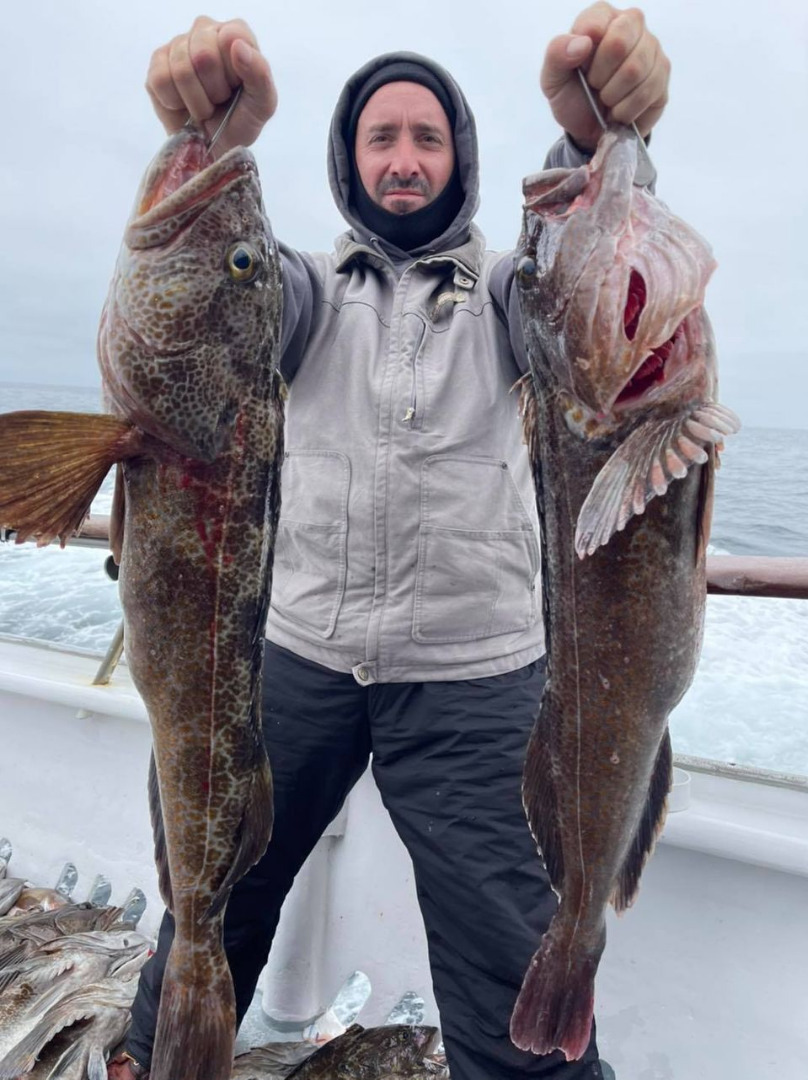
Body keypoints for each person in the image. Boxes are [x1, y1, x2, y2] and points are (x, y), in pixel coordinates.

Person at [109, 5, 670, 1078]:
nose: (404, 160)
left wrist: (595, 147)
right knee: (211, 898)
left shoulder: (509, 294)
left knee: (517, 964)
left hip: (476, 673)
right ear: (349, 161)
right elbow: (210, 302)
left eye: (427, 137)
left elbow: (585, 293)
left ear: (458, 157)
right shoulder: (306, 291)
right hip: (296, 652)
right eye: (382, 138)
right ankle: (154, 1053)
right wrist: (212, 146)